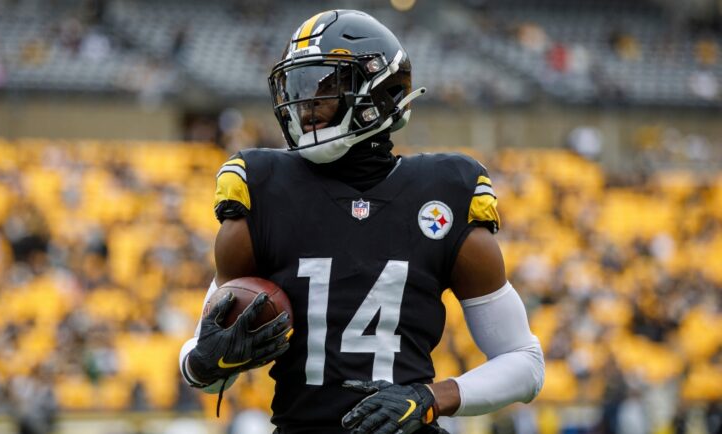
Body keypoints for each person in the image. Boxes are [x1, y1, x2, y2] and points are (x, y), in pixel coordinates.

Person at [179, 10, 545, 434]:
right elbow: (205, 363)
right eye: (298, 87)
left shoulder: (444, 192)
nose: (305, 105)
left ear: (379, 93)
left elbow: (524, 362)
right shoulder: (263, 192)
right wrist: (202, 363)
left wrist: (430, 398)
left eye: (324, 87)